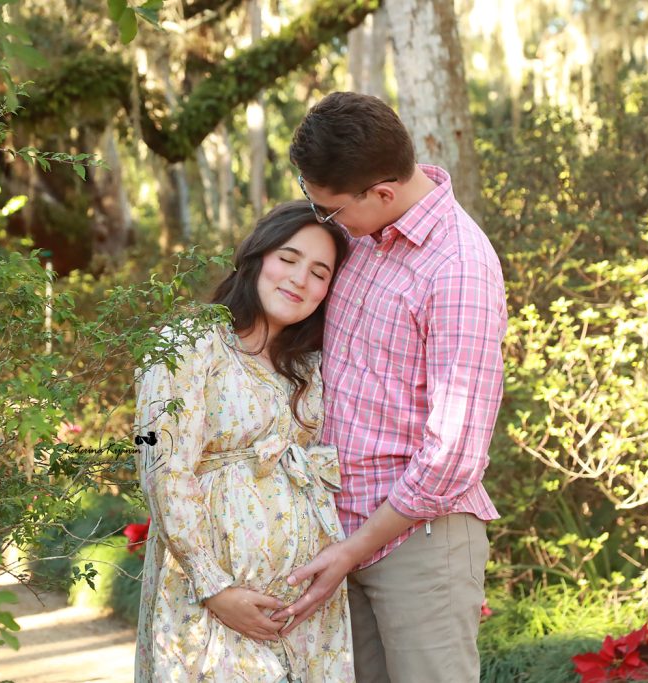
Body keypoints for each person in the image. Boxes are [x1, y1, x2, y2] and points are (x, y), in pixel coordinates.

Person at [271, 92, 508, 682]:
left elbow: (454, 454)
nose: (325, 221)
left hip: (419, 543)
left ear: (381, 192)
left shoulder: (458, 268)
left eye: (329, 210)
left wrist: (353, 549)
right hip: (338, 529)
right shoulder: (362, 235)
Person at [133, 201, 355, 682]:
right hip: (213, 598)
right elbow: (162, 469)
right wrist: (216, 588)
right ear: (257, 255)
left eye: (320, 273)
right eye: (288, 258)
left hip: (308, 613)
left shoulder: (309, 367)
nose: (300, 279)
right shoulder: (187, 343)